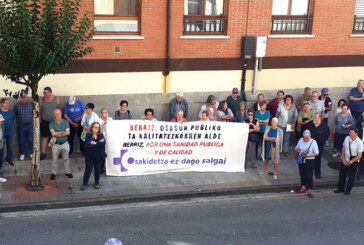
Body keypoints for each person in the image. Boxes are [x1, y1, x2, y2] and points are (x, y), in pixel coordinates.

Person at [334, 128, 363, 195]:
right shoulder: (347, 138)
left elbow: (359, 156)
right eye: (349, 132)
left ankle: (348, 190)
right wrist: (343, 159)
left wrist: (350, 162)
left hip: (354, 161)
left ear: (356, 134)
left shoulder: (360, 143)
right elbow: (343, 149)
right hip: (345, 159)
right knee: (342, 175)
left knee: (351, 176)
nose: (349, 134)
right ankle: (341, 188)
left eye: (351, 133)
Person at [49, 109, 73, 180]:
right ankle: (54, 173)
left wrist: (57, 134)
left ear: (61, 113)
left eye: (59, 113)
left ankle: (68, 172)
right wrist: (62, 132)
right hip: (55, 145)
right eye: (56, 114)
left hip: (65, 143)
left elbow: (68, 133)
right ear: (54, 115)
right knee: (54, 160)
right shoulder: (51, 123)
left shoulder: (66, 122)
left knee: (66, 159)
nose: (58, 115)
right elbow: (53, 134)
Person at [81, 122, 106, 190]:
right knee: (88, 170)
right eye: (95, 127)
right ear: (92, 128)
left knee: (98, 170)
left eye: (98, 127)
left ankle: (97, 183)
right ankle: (84, 183)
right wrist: (98, 143)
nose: (97, 129)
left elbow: (103, 144)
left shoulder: (101, 135)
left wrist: (95, 143)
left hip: (99, 155)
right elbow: (88, 145)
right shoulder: (88, 135)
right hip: (90, 156)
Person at [295, 130, 319, 198]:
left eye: (307, 138)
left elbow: (317, 153)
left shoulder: (313, 142)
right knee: (302, 173)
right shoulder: (300, 140)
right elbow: (296, 148)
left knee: (309, 175)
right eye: (304, 138)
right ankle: (303, 187)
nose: (305, 139)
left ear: (310, 136)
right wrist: (300, 151)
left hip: (309, 160)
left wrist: (308, 155)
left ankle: (309, 190)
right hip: (302, 159)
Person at [39, 87, 61, 160]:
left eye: (45, 93)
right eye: (43, 93)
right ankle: (43, 153)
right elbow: (40, 111)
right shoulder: (41, 100)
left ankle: (57, 153)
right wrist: (40, 120)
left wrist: (60, 120)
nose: (44, 94)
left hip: (55, 121)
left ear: (50, 92)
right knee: (45, 137)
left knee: (55, 137)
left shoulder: (57, 99)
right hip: (45, 121)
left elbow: (60, 109)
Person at [307, 113, 331, 179]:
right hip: (310, 146)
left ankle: (318, 172)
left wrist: (322, 140)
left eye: (316, 118)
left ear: (320, 119)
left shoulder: (324, 126)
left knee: (318, 160)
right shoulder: (310, 125)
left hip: (319, 146)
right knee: (310, 160)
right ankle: (309, 172)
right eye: (314, 117)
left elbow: (327, 134)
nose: (314, 119)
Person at [13, 93, 33, 161]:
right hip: (21, 125)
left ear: (27, 97)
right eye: (22, 97)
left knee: (31, 140)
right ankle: (22, 153)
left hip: (30, 125)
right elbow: (14, 114)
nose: (24, 98)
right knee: (21, 140)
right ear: (20, 98)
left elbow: (35, 113)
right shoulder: (17, 105)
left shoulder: (31, 104)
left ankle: (31, 153)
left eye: (25, 97)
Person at [0, 98, 15, 166]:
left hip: (9, 132)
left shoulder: (11, 112)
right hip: (1, 134)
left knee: (10, 147)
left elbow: (14, 121)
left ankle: (9, 159)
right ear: (2, 104)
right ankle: (1, 160)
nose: (9, 104)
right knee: (1, 148)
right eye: (7, 103)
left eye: (9, 103)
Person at [356, 112, 364, 181]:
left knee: (362, 160)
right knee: (357, 159)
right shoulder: (360, 123)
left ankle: (360, 174)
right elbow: (356, 129)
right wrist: (361, 127)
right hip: (359, 144)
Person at [0, 115, 7, 182]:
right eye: (1, 121)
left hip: (1, 146)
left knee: (0, 160)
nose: (2, 122)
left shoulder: (2, 126)